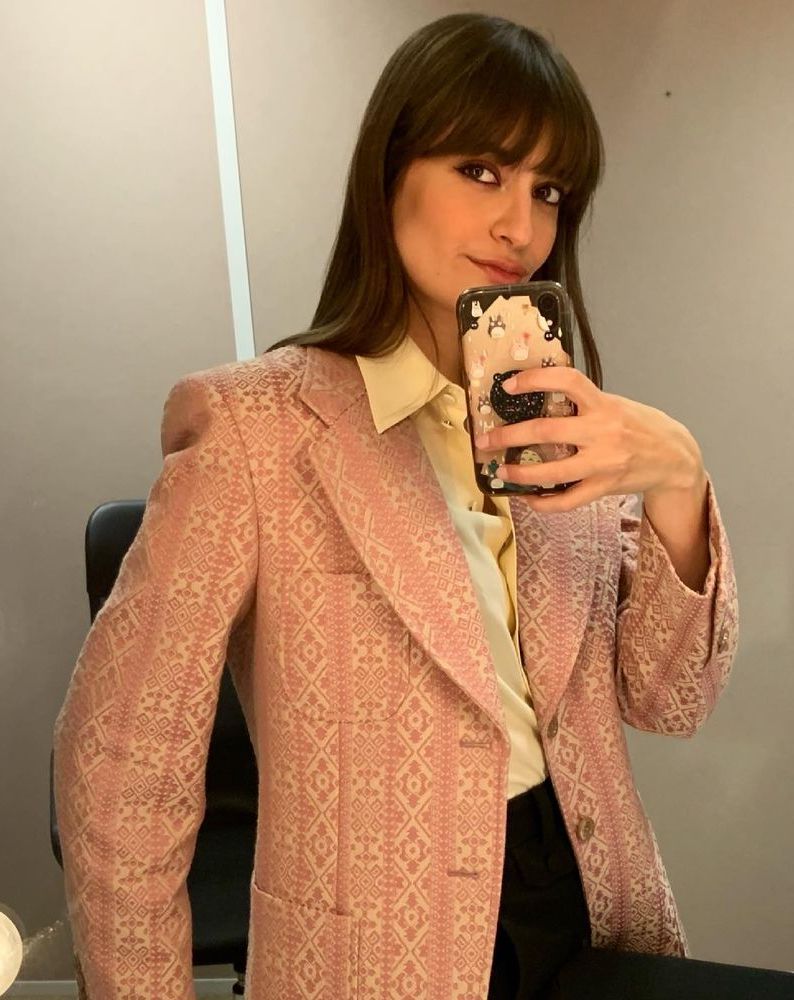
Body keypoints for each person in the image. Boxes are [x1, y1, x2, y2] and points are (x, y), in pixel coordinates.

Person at [53, 13, 739, 1000]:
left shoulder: (556, 415)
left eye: (547, 189)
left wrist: (675, 478)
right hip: (374, 953)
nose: (521, 226)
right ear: (390, 173)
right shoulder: (253, 430)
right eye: (481, 169)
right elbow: (118, 774)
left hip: (594, 912)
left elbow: (665, 700)